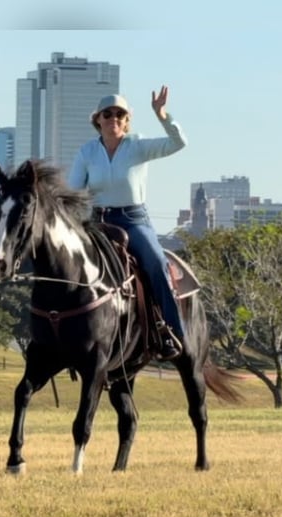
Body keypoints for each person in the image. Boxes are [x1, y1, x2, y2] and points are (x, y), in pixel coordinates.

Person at [67, 86, 187, 361]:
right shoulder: (87, 152)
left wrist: (162, 114)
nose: (114, 119)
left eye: (120, 114)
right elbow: (74, 192)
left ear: (127, 120)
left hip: (133, 221)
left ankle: (171, 331)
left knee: (156, 265)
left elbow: (178, 143)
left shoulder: (138, 146)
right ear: (97, 120)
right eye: (107, 114)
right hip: (98, 223)